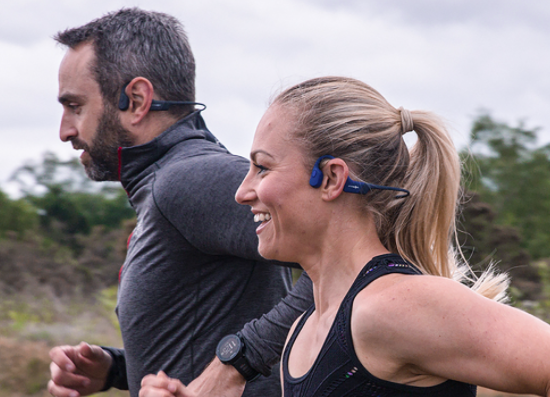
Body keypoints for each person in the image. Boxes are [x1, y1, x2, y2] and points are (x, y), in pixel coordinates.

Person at [141, 76, 550, 397]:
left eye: (263, 168)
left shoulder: (393, 306)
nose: (243, 192)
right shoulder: (304, 332)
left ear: (332, 178)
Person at [47, 8, 314, 397]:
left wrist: (238, 362)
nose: (64, 131)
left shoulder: (188, 180)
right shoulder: (170, 183)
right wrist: (117, 370)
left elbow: (345, 255)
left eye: (75, 107)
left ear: (137, 100)